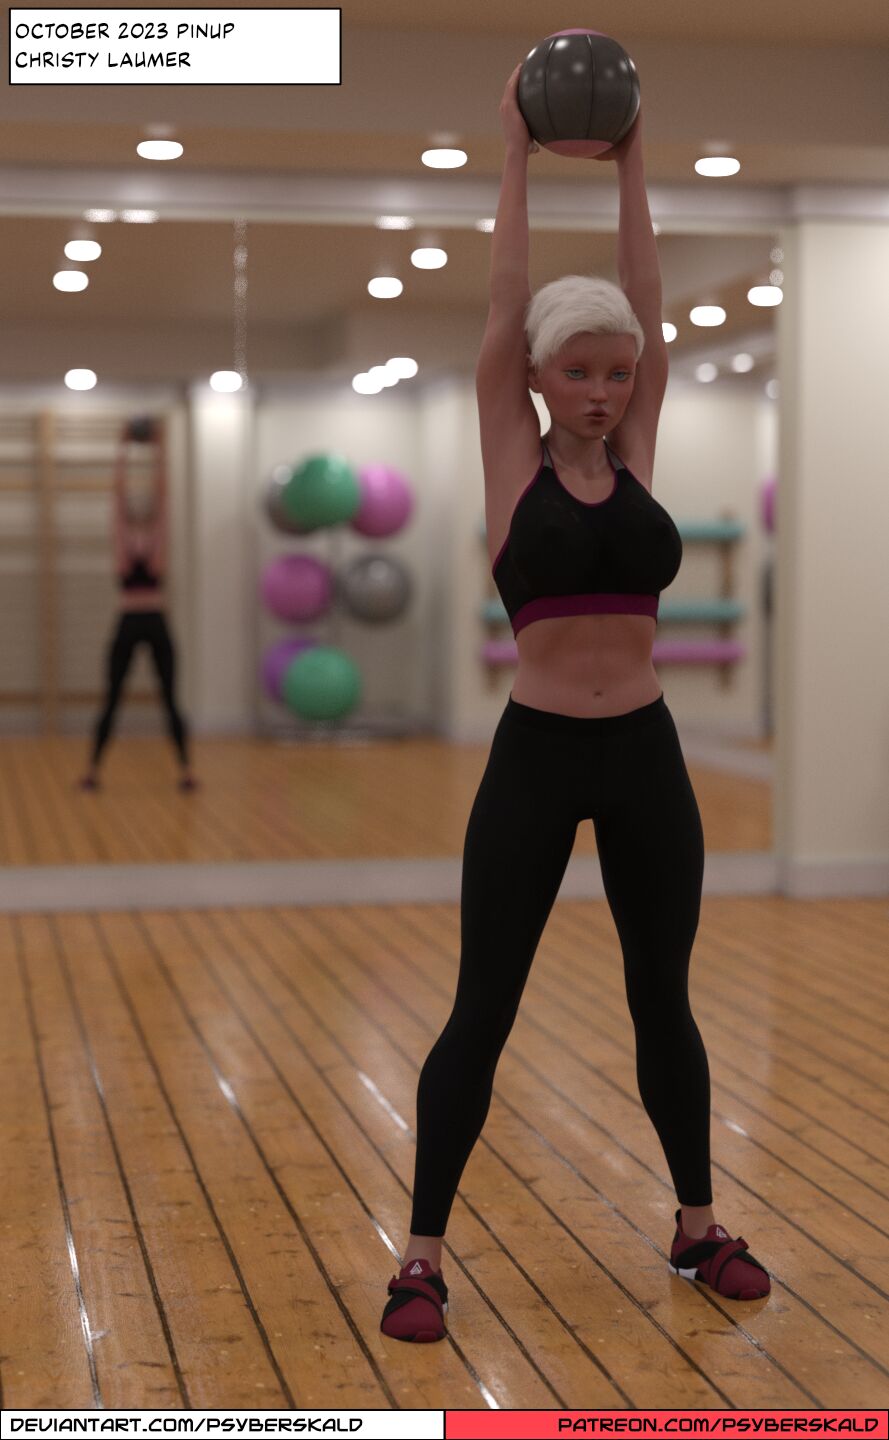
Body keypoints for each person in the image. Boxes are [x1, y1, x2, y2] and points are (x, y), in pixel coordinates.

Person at [380, 67, 769, 1343]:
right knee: (481, 1008)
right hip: (538, 755)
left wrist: (633, 161)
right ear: (540, 377)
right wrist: (515, 154)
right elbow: (504, 303)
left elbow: (644, 297)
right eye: (578, 371)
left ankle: (696, 1225)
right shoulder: (512, 455)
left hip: (645, 751)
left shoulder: (637, 455)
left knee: (665, 997)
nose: (602, 389)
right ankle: (421, 1257)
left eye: (617, 372)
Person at [79, 416, 197, 792]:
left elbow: (163, 494)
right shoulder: (123, 539)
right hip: (129, 622)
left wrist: (159, 449)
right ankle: (93, 770)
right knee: (112, 697)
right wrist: (123, 447)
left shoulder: (158, 537)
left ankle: (186, 770)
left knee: (170, 699)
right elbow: (117, 496)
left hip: (156, 622)